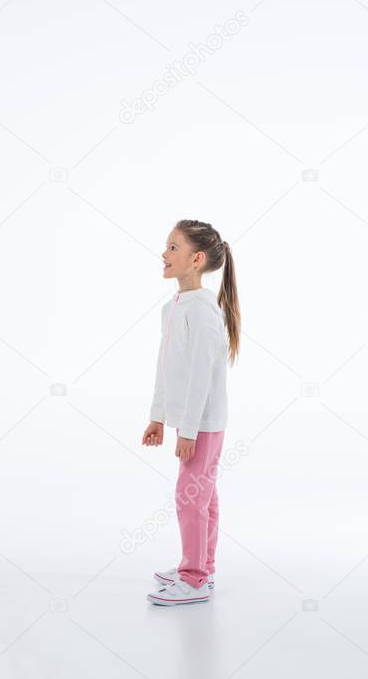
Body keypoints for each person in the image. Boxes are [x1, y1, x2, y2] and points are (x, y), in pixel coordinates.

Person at [142, 219, 240, 606]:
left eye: (172, 248)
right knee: (201, 494)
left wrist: (188, 430)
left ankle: (195, 578)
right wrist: (158, 416)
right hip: (190, 423)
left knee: (190, 496)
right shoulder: (175, 306)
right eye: (166, 247)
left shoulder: (201, 312)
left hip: (202, 423)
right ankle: (201, 567)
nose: (164, 254)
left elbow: (201, 376)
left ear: (196, 259)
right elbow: (166, 368)